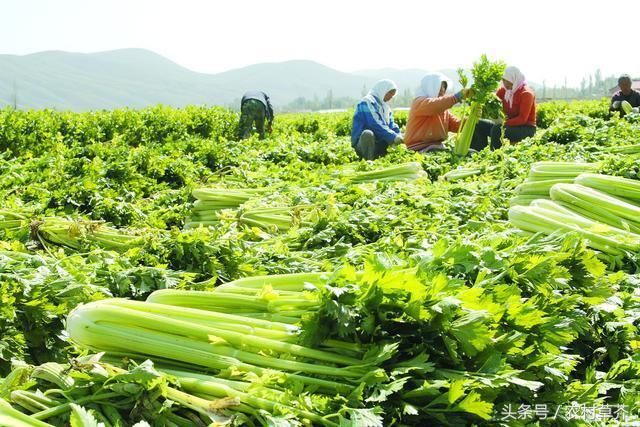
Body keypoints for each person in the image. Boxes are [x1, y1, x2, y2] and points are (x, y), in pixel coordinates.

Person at [403, 73, 472, 152]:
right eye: (440, 86)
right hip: (419, 148)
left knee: (470, 152)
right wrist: (456, 97)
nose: (443, 89)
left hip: (436, 147)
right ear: (430, 86)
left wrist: (472, 118)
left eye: (444, 87)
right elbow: (435, 105)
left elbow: (457, 126)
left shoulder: (443, 110)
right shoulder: (419, 102)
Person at [474, 66, 537, 149]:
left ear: (514, 79)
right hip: (507, 125)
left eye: (507, 80)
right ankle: (479, 153)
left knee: (497, 130)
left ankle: (495, 156)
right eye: (503, 80)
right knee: (478, 123)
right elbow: (492, 101)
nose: (505, 83)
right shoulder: (504, 91)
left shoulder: (526, 93)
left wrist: (503, 123)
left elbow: (522, 119)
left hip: (525, 128)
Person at [351, 79, 404, 160]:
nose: (390, 97)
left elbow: (392, 125)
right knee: (368, 134)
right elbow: (374, 124)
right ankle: (368, 160)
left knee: (401, 135)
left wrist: (399, 135)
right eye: (389, 93)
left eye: (392, 95)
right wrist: (393, 137)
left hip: (378, 142)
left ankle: (379, 156)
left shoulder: (385, 107)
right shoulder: (367, 102)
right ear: (382, 90)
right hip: (363, 144)